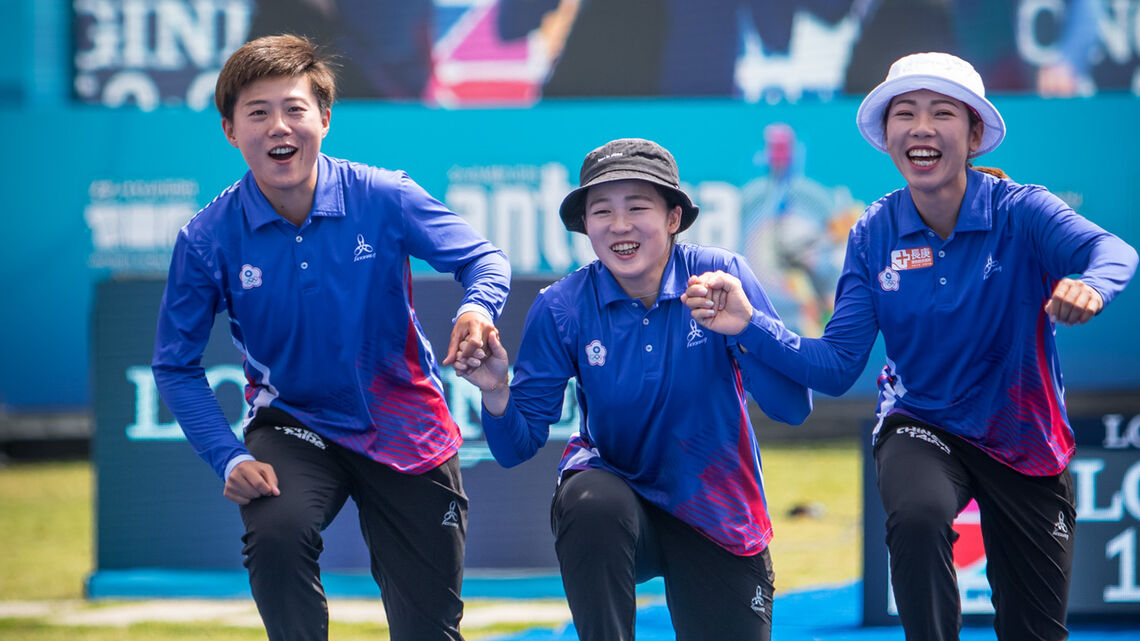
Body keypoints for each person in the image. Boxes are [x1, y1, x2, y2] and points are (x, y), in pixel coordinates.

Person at [684, 52, 1138, 640]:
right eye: (906, 114)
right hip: (921, 422)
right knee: (918, 516)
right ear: (888, 136)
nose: (921, 127)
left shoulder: (1022, 210)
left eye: (942, 113)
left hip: (1025, 439)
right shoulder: (873, 232)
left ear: (973, 135)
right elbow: (837, 365)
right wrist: (749, 325)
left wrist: (1093, 286)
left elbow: (1114, 252)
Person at [151, 34, 511, 641]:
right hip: (294, 423)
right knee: (275, 532)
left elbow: (484, 259)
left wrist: (477, 308)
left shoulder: (384, 195)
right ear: (230, 130)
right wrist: (229, 456)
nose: (277, 126)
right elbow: (175, 365)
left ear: (323, 118)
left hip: (407, 423)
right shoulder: (207, 238)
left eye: (293, 108)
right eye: (257, 112)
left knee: (429, 628)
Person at [453, 137, 813, 640]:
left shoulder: (722, 278)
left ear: (673, 218)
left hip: (717, 510)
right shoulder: (562, 306)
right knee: (588, 501)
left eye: (637, 207)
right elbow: (516, 448)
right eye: (602, 211)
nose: (619, 225)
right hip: (616, 500)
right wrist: (496, 391)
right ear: (586, 225)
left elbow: (793, 407)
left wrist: (748, 329)